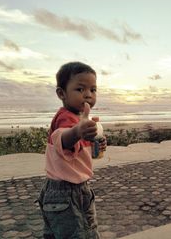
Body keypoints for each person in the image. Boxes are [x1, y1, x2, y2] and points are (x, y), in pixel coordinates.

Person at [37, 61, 106, 238]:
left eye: (93, 90)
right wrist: (77, 131)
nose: (88, 95)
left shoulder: (80, 118)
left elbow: (78, 152)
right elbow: (62, 139)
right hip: (66, 192)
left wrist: (96, 144)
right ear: (62, 93)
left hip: (69, 190)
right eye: (80, 89)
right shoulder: (65, 118)